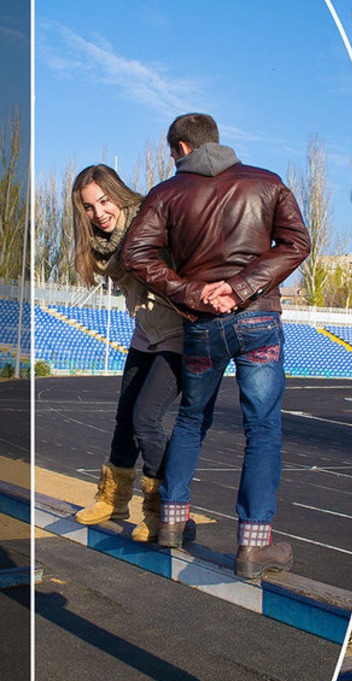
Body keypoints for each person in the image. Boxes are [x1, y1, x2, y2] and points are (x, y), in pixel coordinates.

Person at [121, 113, 311, 579]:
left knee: (190, 420)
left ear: (182, 148)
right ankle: (254, 546)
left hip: (202, 323)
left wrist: (194, 292)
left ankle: (171, 521)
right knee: (262, 428)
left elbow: (134, 254)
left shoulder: (167, 193)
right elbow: (297, 243)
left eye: (172, 153)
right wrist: (242, 287)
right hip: (258, 317)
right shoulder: (267, 182)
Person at [69, 164, 196, 543]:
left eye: (104, 201)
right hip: (145, 333)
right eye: (89, 207)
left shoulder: (150, 222)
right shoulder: (103, 244)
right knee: (125, 417)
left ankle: (163, 511)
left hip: (177, 333)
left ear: (119, 195)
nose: (99, 213)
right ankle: (112, 499)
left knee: (146, 419)